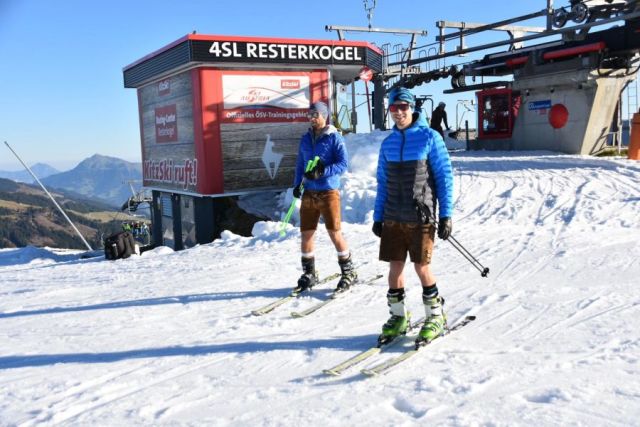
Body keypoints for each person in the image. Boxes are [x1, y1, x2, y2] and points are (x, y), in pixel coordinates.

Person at [372, 87, 454, 346]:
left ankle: (435, 316)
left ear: (412, 107)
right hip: (393, 216)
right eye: (394, 108)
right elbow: (382, 182)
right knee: (394, 267)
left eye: (403, 107)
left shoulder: (430, 137)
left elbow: (444, 177)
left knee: (422, 267)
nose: (399, 113)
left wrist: (446, 215)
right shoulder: (388, 143)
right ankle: (399, 317)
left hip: (421, 216)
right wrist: (378, 216)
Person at [291, 101, 357, 294]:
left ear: (324, 116)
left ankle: (348, 272)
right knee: (306, 233)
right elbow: (300, 165)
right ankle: (309, 273)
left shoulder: (334, 137)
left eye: (315, 115)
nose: (312, 119)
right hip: (309, 192)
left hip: (328, 192)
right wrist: (296, 185)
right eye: (309, 115)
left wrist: (323, 171)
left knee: (334, 233)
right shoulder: (305, 139)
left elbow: (343, 164)